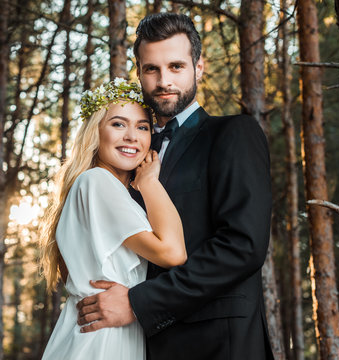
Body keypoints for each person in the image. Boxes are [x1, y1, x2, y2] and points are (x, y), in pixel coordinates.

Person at [76, 13, 274, 360]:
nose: (163, 80)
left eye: (176, 66)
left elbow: (243, 246)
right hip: (135, 344)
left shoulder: (232, 134)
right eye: (151, 69)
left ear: (199, 67)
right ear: (139, 73)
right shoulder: (130, 154)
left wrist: (140, 303)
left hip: (218, 344)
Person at [40, 78, 187, 360]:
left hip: (101, 330)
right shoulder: (97, 182)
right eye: (118, 124)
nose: (132, 136)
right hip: (101, 339)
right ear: (96, 132)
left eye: (142, 127)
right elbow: (173, 253)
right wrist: (150, 183)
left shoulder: (101, 188)